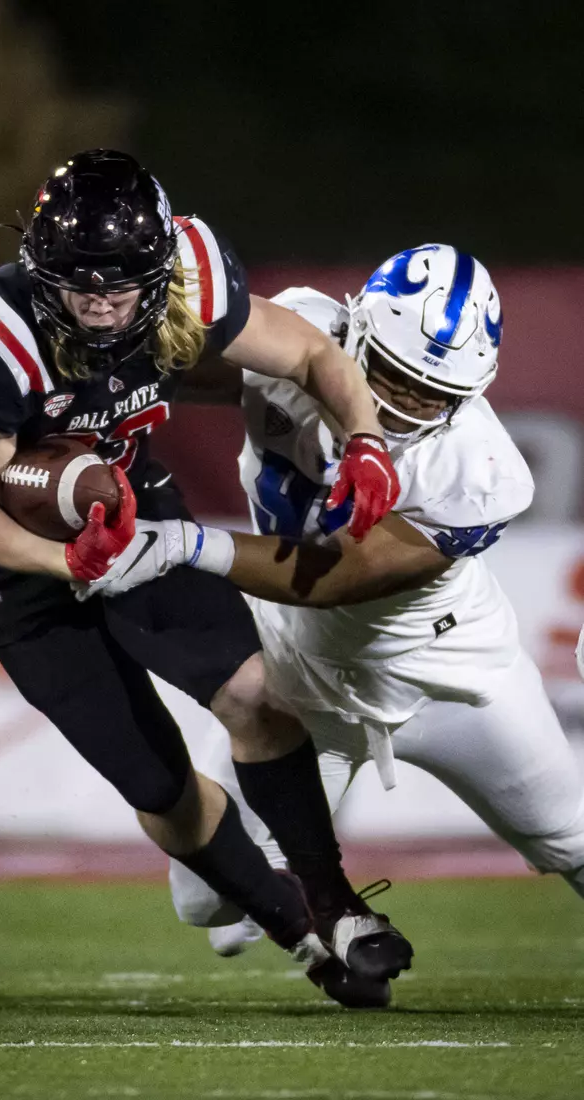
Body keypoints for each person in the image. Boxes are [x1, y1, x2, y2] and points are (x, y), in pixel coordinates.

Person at [0, 149, 412, 1005]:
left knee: (258, 694)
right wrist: (58, 557)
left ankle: (334, 905)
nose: (103, 302)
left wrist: (365, 439)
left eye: (122, 283)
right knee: (159, 788)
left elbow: (309, 355)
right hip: (20, 566)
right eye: (80, 284)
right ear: (41, 270)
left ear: (159, 268)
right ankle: (299, 932)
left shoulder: (192, 283)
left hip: (136, 511)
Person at [86, 243, 584, 961]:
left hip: (449, 675)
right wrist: (125, 338)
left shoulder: (481, 469)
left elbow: (334, 576)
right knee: (204, 900)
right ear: (353, 334)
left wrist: (186, 546)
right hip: (302, 671)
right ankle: (308, 901)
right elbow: (178, 369)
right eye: (392, 375)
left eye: (433, 393)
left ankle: (311, 897)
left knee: (568, 836)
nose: (407, 405)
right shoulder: (300, 333)